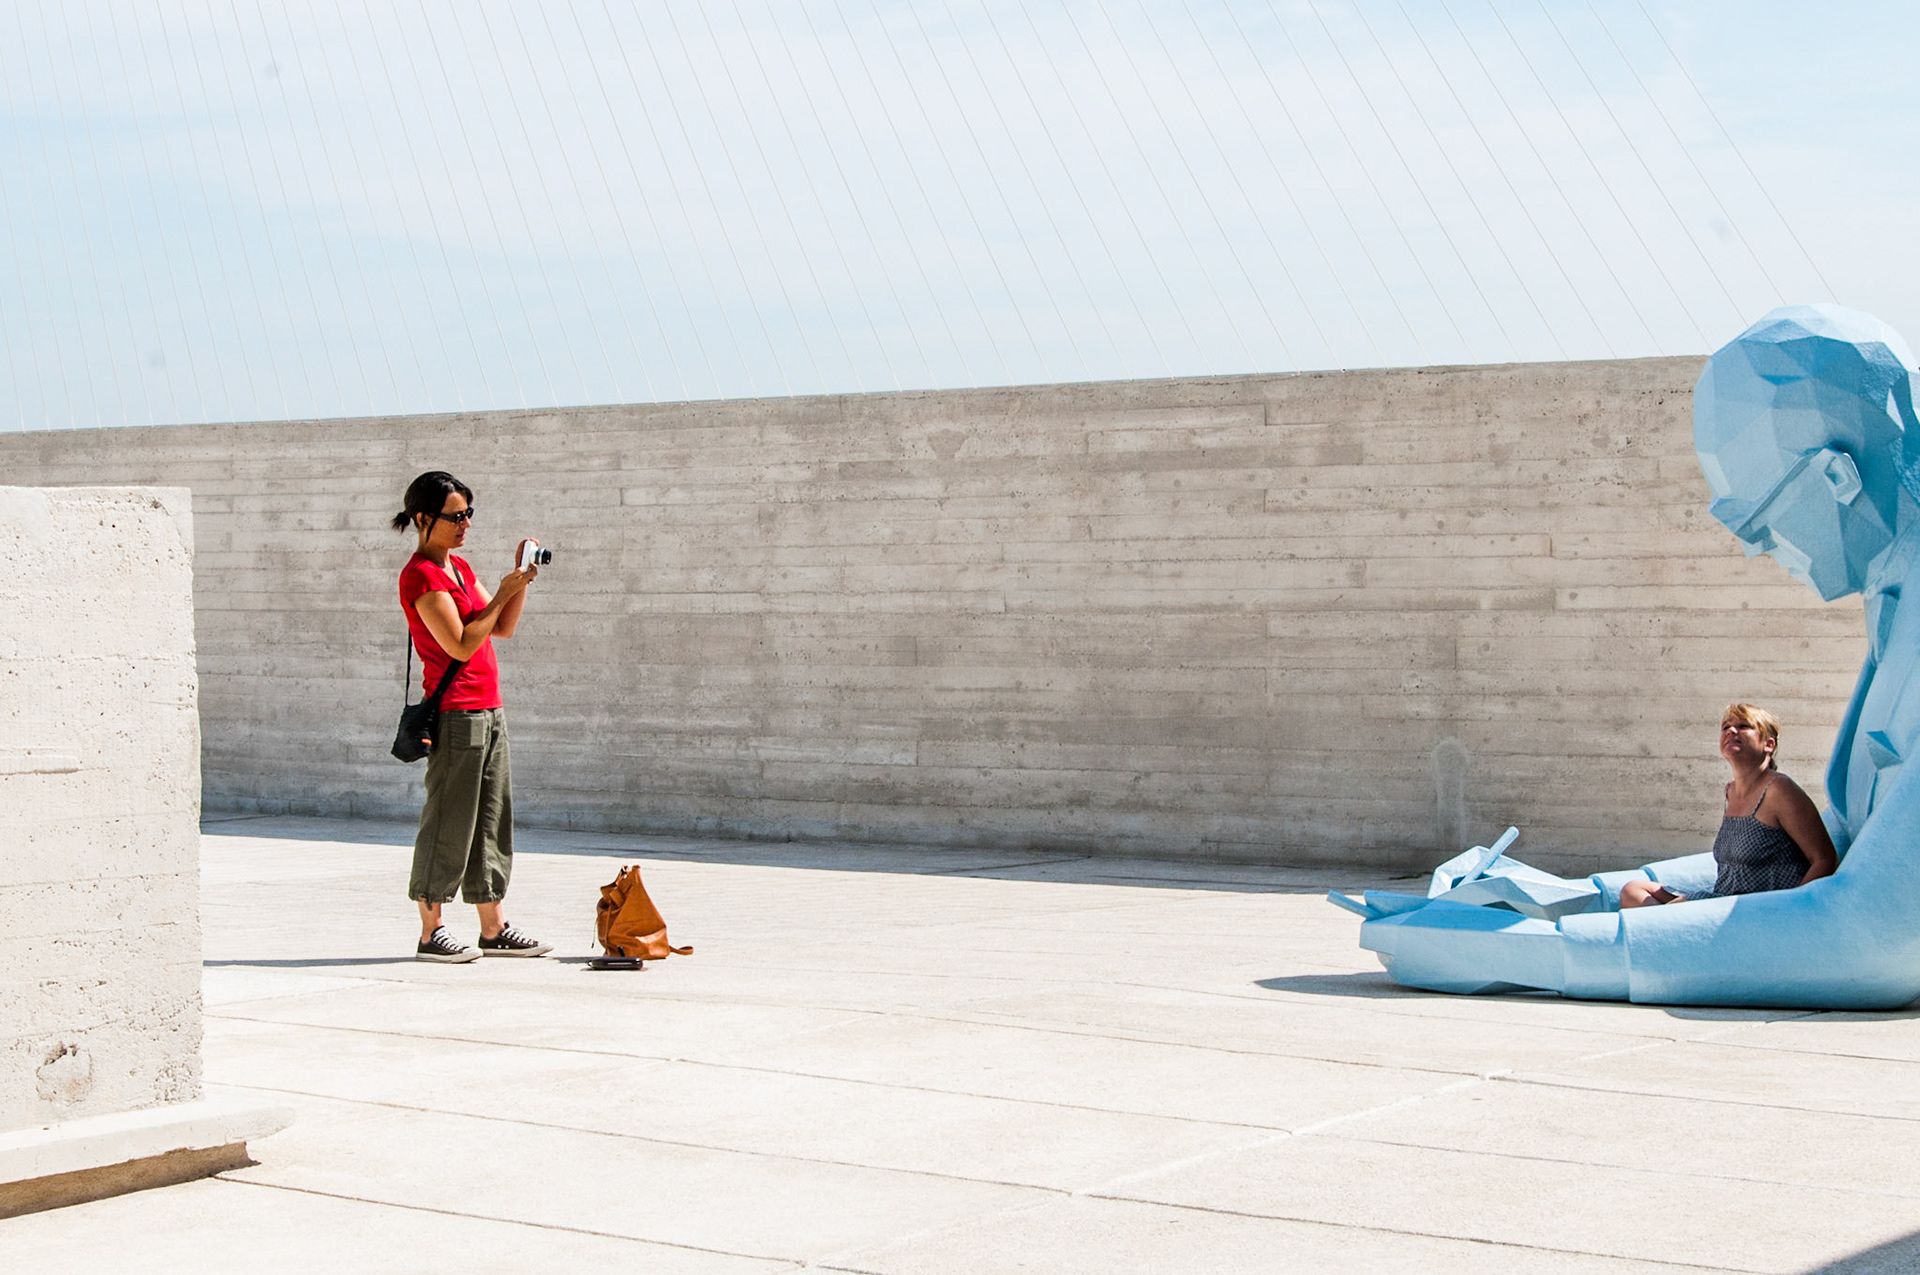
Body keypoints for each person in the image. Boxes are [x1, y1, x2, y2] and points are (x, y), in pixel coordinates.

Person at [393, 471, 552, 963]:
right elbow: (461, 641)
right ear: (424, 519)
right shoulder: (422, 575)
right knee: (449, 821)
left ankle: (492, 927)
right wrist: (502, 591)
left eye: (469, 514)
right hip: (456, 713)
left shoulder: (460, 569)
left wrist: (519, 581)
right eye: (455, 516)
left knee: (490, 820)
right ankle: (430, 930)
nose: (465, 524)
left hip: (490, 706)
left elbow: (500, 628)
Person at [1618, 704, 1837, 908]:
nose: (1732, 731)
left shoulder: (1779, 789)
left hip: (1758, 908)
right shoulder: (1730, 791)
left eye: (1743, 726)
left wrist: (1789, 908)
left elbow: (1824, 859)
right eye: (1726, 727)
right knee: (1633, 890)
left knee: (1673, 909)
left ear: (1769, 744)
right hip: (1723, 899)